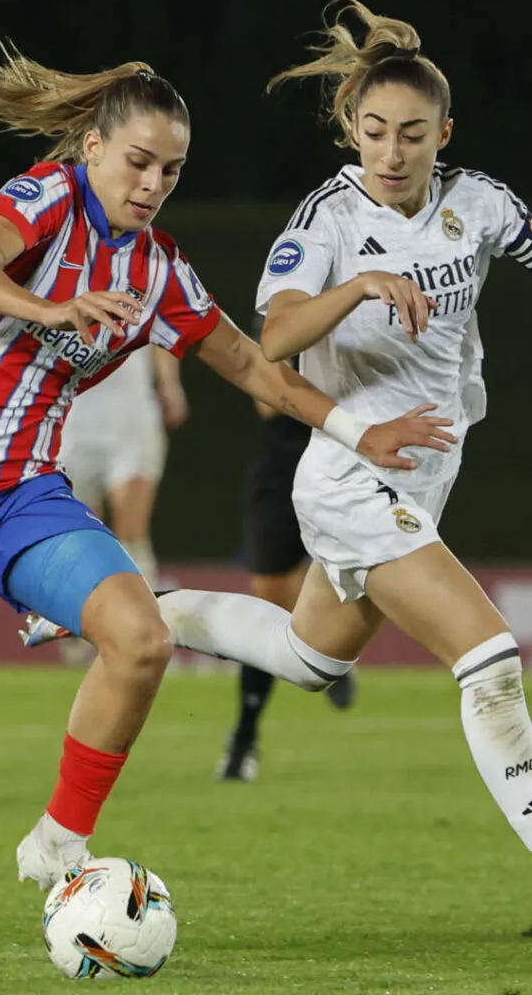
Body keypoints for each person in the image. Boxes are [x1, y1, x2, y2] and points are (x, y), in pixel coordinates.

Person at [25, 0, 532, 949]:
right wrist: (358, 285)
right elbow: (272, 340)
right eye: (371, 133)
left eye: (410, 134)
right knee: (489, 658)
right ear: (349, 131)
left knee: (309, 659)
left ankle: (122, 606)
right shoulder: (325, 218)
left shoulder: (478, 204)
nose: (390, 153)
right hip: (353, 472)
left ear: (445, 132)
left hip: (422, 474)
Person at [0, 43, 454, 970]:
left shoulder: (156, 272)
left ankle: (61, 840)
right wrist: (50, 308)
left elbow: (254, 368)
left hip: (24, 492)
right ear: (96, 148)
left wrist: (357, 431)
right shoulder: (46, 198)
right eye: (139, 162)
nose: (152, 184)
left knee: (141, 637)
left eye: (172, 171)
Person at [218, 329, 355, 784]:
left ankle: (330, 654)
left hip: (350, 464)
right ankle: (245, 735)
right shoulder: (293, 306)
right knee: (270, 601)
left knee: (355, 584)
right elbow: (266, 395)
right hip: (284, 464)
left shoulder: (374, 312)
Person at [58, 344, 187, 590]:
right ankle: (82, 617)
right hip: (72, 419)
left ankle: (145, 611)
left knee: (131, 533)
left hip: (130, 414)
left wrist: (170, 383)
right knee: (82, 535)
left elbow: (160, 323)